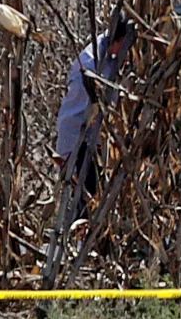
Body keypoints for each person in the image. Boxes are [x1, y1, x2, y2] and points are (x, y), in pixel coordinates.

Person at [55, 12, 133, 220]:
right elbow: (73, 117)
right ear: (117, 41)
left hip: (100, 146)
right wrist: (67, 157)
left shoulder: (110, 55)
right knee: (86, 208)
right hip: (81, 146)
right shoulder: (91, 67)